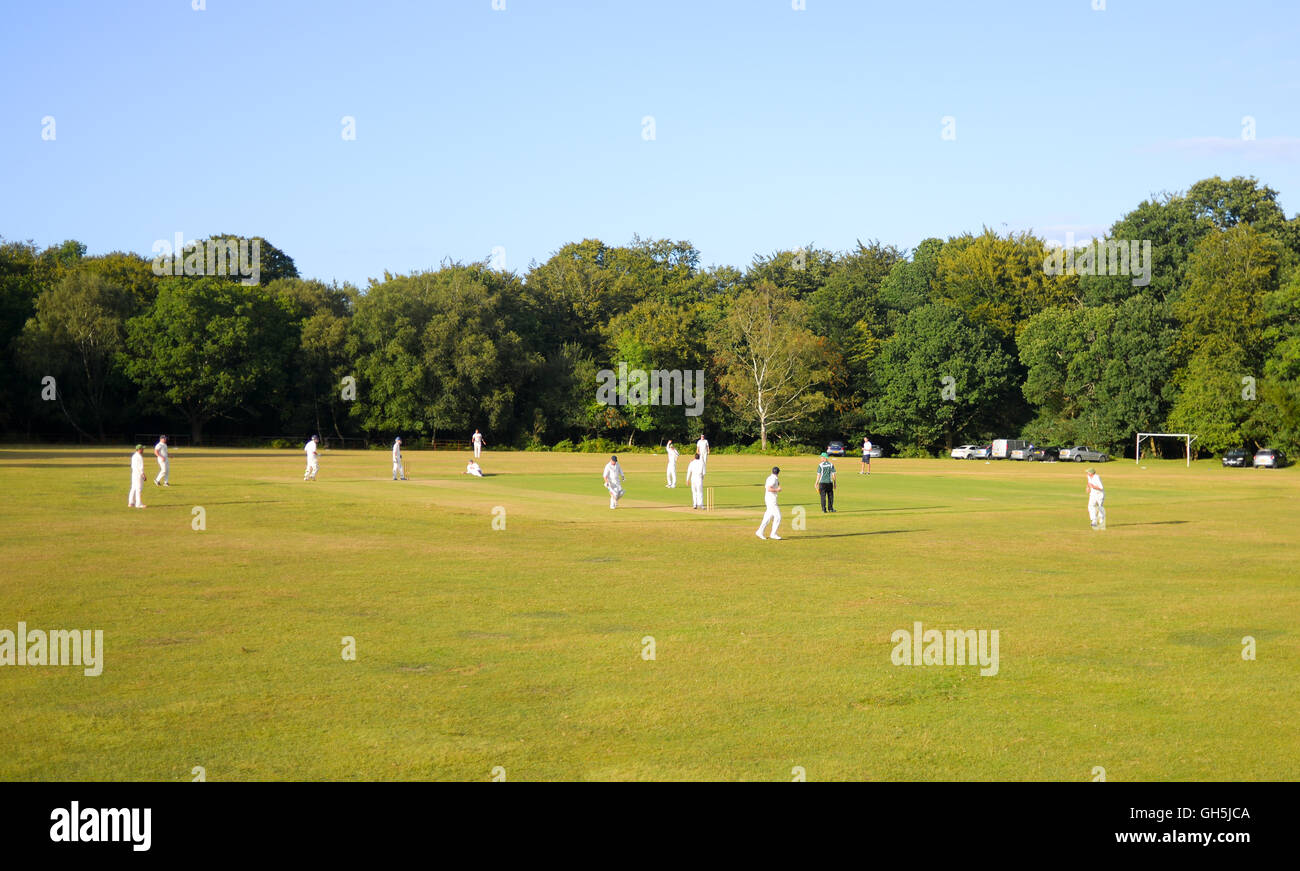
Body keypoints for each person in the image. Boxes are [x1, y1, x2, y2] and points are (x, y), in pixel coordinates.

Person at [756, 466, 782, 540]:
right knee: (778, 516)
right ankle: (773, 534)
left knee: (768, 517)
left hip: (769, 499)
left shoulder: (771, 477)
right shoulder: (773, 479)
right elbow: (768, 488)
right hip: (771, 500)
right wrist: (777, 489)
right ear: (778, 472)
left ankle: (759, 531)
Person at [128, 444, 147, 509]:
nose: (143, 450)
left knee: (133, 488)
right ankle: (138, 504)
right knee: (139, 489)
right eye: (142, 449)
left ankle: (131, 502)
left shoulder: (134, 456)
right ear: (139, 449)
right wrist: (143, 475)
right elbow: (140, 467)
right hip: (138, 474)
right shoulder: (139, 457)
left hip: (134, 473)